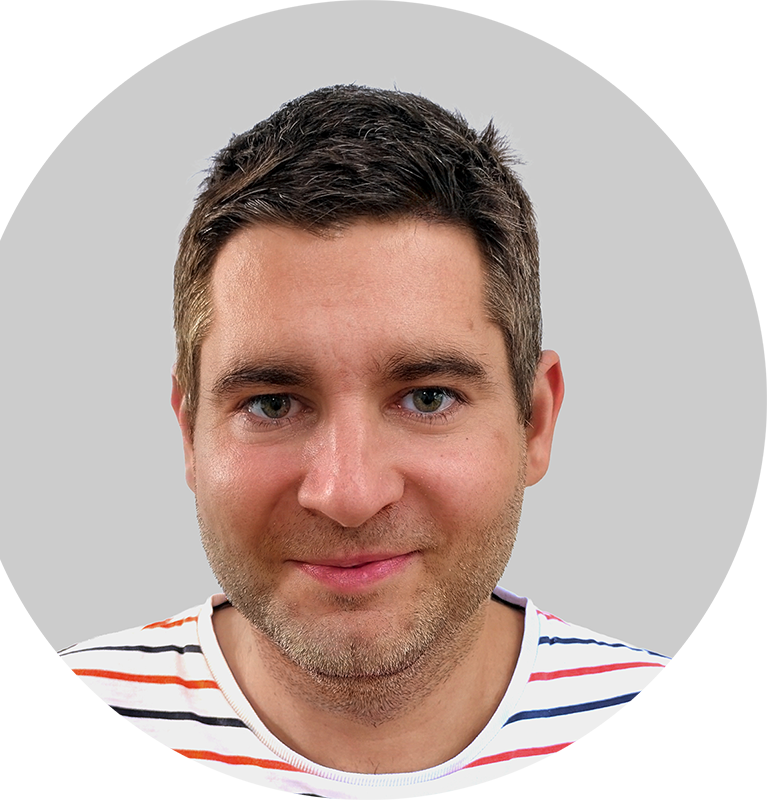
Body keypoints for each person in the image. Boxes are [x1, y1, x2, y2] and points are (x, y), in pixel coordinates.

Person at [60, 85, 671, 797]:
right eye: (272, 404)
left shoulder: (710, 757)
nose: (347, 495)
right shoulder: (23, 755)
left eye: (428, 397)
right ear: (189, 434)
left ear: (534, 420)